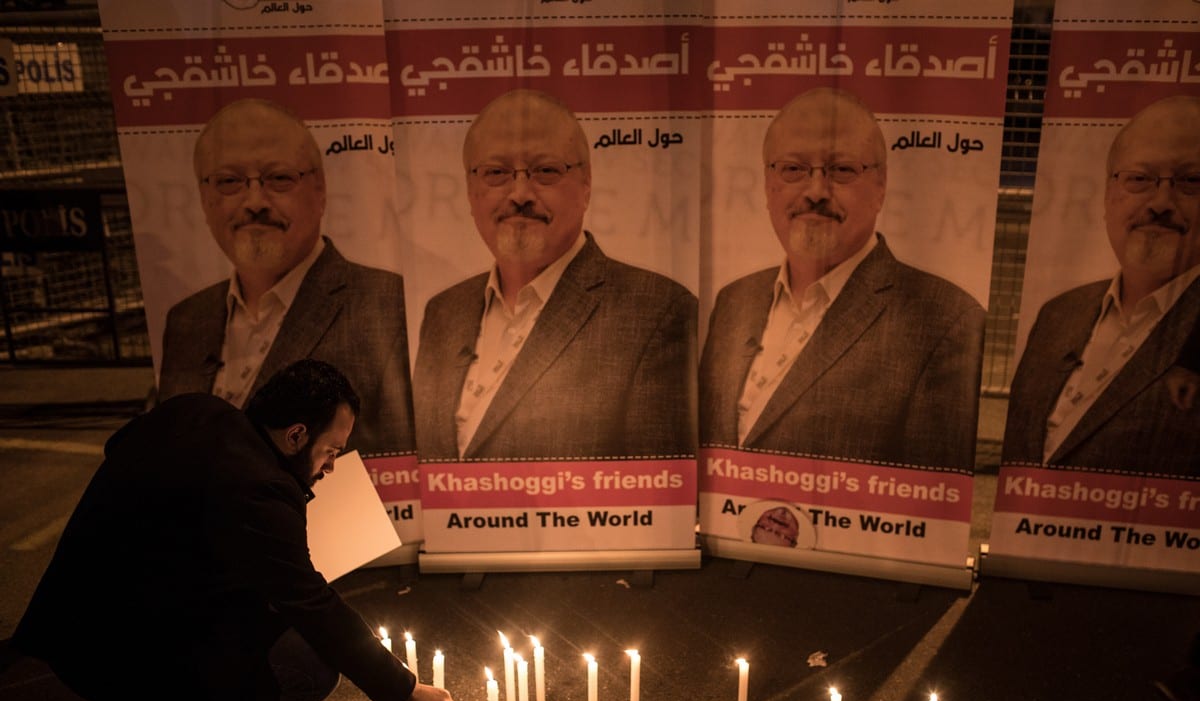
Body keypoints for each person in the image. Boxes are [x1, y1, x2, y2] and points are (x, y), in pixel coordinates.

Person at [13, 360, 457, 701]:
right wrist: (406, 689)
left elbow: (120, 446)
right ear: (297, 435)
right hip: (109, 646)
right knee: (311, 669)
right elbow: (313, 605)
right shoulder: (259, 489)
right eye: (331, 451)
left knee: (262, 612)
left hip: (73, 610)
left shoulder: (196, 409)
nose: (332, 466)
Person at [699, 88, 985, 471]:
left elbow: (929, 505)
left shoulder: (945, 320)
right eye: (793, 169)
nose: (816, 191)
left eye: (842, 170)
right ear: (769, 185)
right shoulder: (735, 299)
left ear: (881, 186)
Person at [412, 89, 697, 461]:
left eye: (545, 171)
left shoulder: (658, 312)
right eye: (495, 173)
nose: (519, 194)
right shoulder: (443, 312)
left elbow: (659, 497)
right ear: (470, 190)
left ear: (586, 185)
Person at [158, 98, 414, 458]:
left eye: (278, 179)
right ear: (203, 197)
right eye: (229, 181)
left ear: (320, 189)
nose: (254, 202)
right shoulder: (186, 319)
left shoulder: (387, 304)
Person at [1002, 95, 1200, 475]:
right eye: (1139, 179)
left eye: (1190, 181)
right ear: (1109, 197)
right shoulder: (1058, 315)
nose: (1160, 202)